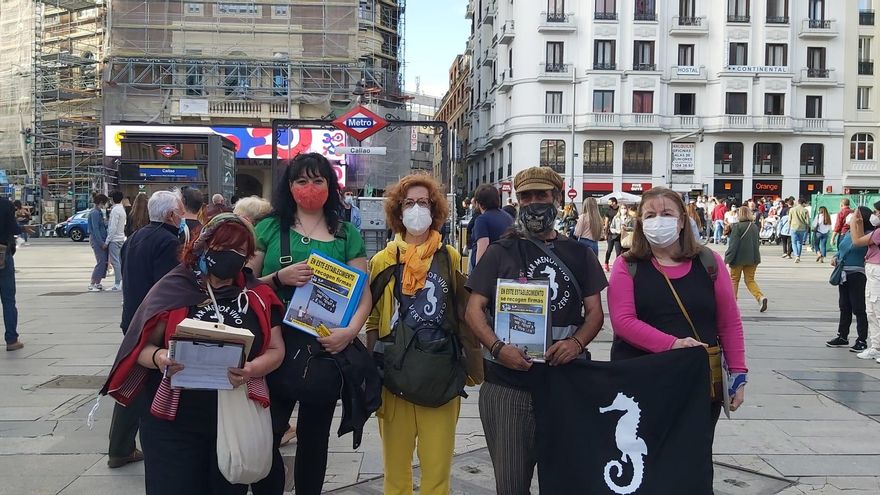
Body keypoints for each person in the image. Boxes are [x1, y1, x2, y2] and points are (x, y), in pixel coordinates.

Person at [101, 214, 285, 494]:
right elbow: (141, 347)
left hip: (232, 419)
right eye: (224, 248)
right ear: (205, 246)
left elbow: (275, 349)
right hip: (173, 423)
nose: (231, 257)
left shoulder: (258, 295)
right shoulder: (173, 288)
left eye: (239, 251)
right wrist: (160, 358)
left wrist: (252, 370)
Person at [464, 166, 607, 494]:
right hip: (507, 386)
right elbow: (473, 311)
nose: (533, 203)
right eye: (526, 196)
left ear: (557, 197)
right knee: (511, 485)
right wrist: (499, 349)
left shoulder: (580, 254)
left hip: (566, 383)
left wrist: (575, 342)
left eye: (541, 195)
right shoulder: (501, 251)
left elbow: (596, 313)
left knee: (566, 482)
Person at [248, 152, 372, 495]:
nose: (310, 187)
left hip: (324, 349)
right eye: (302, 180)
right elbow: (246, 285)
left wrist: (350, 332)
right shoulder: (269, 228)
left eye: (318, 180)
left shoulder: (347, 233)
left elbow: (363, 295)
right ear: (290, 186)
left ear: (330, 186)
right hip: (276, 346)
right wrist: (279, 277)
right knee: (266, 435)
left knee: (315, 441)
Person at [607, 187, 747, 447]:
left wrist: (738, 373)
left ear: (682, 220)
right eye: (650, 215)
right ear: (640, 223)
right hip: (642, 381)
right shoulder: (627, 265)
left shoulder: (709, 262)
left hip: (697, 383)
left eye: (667, 213)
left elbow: (729, 322)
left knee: (693, 457)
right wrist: (673, 344)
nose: (658, 220)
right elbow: (623, 321)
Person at [367, 174, 464, 495]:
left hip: (439, 376)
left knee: (437, 477)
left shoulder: (448, 257)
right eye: (409, 203)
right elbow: (372, 318)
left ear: (434, 209)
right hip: (394, 379)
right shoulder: (382, 260)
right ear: (398, 211)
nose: (417, 209)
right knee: (396, 476)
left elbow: (460, 311)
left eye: (423, 202)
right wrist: (371, 369)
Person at [108, 190, 186, 469]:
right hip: (151, 322)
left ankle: (120, 447)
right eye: (179, 210)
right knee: (139, 383)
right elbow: (170, 287)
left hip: (132, 316)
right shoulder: (168, 241)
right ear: (170, 214)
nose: (182, 215)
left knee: (133, 377)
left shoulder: (136, 236)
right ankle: (121, 448)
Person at [826, 207, 871, 353]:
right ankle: (842, 335)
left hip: (858, 274)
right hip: (844, 273)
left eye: (854, 216)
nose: (851, 218)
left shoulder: (869, 235)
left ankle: (862, 339)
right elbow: (841, 249)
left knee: (858, 307)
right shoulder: (848, 233)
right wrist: (836, 257)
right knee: (844, 305)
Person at [849, 201, 880, 362]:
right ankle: (875, 347)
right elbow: (862, 238)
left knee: (877, 309)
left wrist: (854, 223)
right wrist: (860, 223)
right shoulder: (877, 231)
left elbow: (857, 241)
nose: (875, 215)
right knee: (871, 310)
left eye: (877, 212)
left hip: (877, 271)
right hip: (872, 270)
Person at [726, 206, 767, 312]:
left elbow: (733, 245)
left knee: (734, 280)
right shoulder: (754, 227)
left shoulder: (737, 227)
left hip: (738, 259)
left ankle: (733, 303)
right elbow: (757, 243)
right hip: (753, 258)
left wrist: (727, 259)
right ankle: (760, 297)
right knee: (750, 280)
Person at [472, 184, 514, 266]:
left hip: (489, 270)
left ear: (478, 202)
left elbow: (483, 247)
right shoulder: (508, 217)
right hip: (506, 267)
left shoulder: (482, 220)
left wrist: (477, 274)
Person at [0, 196, 21, 351]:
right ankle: (11, 340)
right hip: (2, 254)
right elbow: (14, 229)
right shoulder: (6, 205)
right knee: (8, 299)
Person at [105, 191, 127, 291]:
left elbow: (112, 227)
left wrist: (107, 241)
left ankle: (118, 283)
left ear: (112, 199)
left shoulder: (114, 211)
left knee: (115, 262)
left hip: (114, 239)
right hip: (121, 238)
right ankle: (122, 282)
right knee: (120, 261)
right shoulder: (122, 209)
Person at [88, 194, 109, 292]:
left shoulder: (98, 212)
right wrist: (101, 243)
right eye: (104, 203)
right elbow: (95, 229)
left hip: (101, 239)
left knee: (103, 261)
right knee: (101, 261)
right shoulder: (95, 213)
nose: (105, 205)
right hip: (97, 241)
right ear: (101, 203)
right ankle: (92, 283)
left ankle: (98, 282)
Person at [789, 198, 811, 263]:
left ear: (798, 202)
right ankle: (798, 255)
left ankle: (796, 256)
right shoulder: (805, 210)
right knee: (800, 243)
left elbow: (789, 219)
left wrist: (789, 226)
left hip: (794, 227)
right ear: (803, 203)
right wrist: (807, 227)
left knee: (794, 242)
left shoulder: (792, 209)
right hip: (802, 228)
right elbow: (807, 221)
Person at [603, 197, 622, 271]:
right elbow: (606, 223)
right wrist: (605, 233)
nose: (608, 203)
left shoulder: (620, 210)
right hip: (610, 233)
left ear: (614, 202)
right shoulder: (608, 211)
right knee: (609, 249)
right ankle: (606, 263)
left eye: (609, 202)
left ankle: (617, 266)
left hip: (618, 233)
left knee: (618, 251)